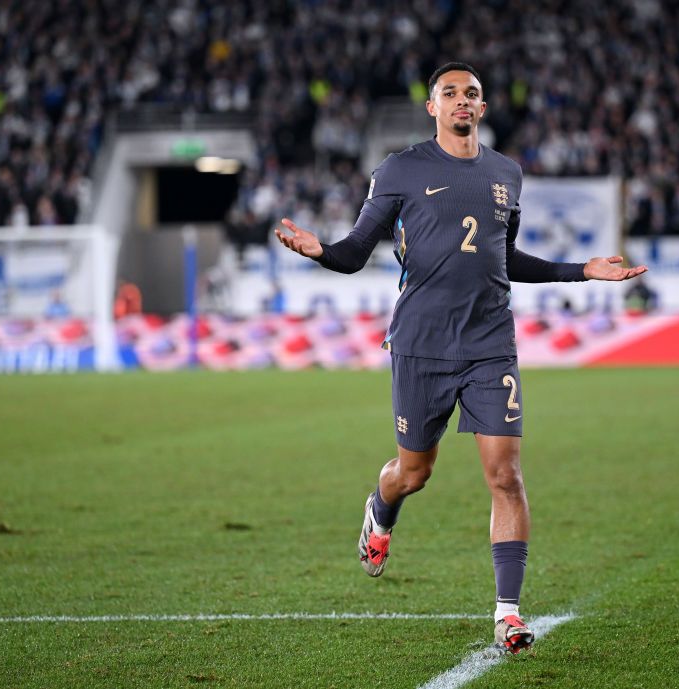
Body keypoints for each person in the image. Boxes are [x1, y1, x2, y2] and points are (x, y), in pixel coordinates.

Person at [275, 62, 647, 654]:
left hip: (489, 344)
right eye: (449, 94)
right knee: (414, 474)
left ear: (483, 105)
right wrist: (319, 250)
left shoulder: (507, 173)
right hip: (421, 344)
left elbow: (506, 259)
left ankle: (508, 613)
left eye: (471, 93)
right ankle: (382, 505)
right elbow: (352, 253)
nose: (461, 101)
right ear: (433, 108)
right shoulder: (400, 170)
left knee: (506, 475)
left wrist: (581, 271)